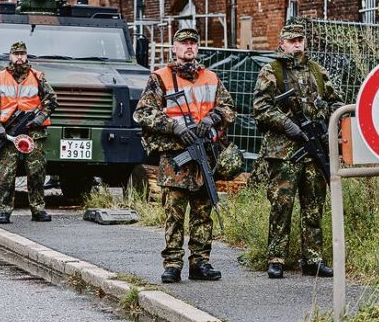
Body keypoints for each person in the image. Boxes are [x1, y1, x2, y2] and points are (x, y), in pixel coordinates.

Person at [133, 28, 236, 284]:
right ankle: (173, 264)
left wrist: (213, 118)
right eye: (184, 43)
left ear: (197, 48)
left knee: (203, 212)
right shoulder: (160, 78)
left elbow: (229, 108)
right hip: (175, 156)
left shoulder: (210, 78)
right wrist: (175, 127)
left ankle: (200, 262)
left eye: (193, 43)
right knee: (174, 213)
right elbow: (143, 113)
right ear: (174, 48)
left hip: (203, 155)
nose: (189, 47)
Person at [253, 23, 344, 279]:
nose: (297, 44)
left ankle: (313, 259)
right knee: (282, 204)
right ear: (281, 42)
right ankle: (276, 257)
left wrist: (324, 117)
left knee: (314, 205)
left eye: (300, 40)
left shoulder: (316, 70)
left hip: (313, 150)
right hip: (284, 151)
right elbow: (260, 107)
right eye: (291, 40)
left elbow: (335, 101)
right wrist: (288, 125)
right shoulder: (272, 71)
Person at [0, 41, 58, 224]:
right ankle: (4, 211)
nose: (19, 57)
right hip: (8, 131)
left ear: (26, 56)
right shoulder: (0, 77)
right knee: (6, 174)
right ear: (10, 56)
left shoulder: (37, 76)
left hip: (33, 132)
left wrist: (41, 117)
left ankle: (38, 209)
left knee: (36, 172)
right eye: (16, 54)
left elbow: (51, 99)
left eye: (22, 54)